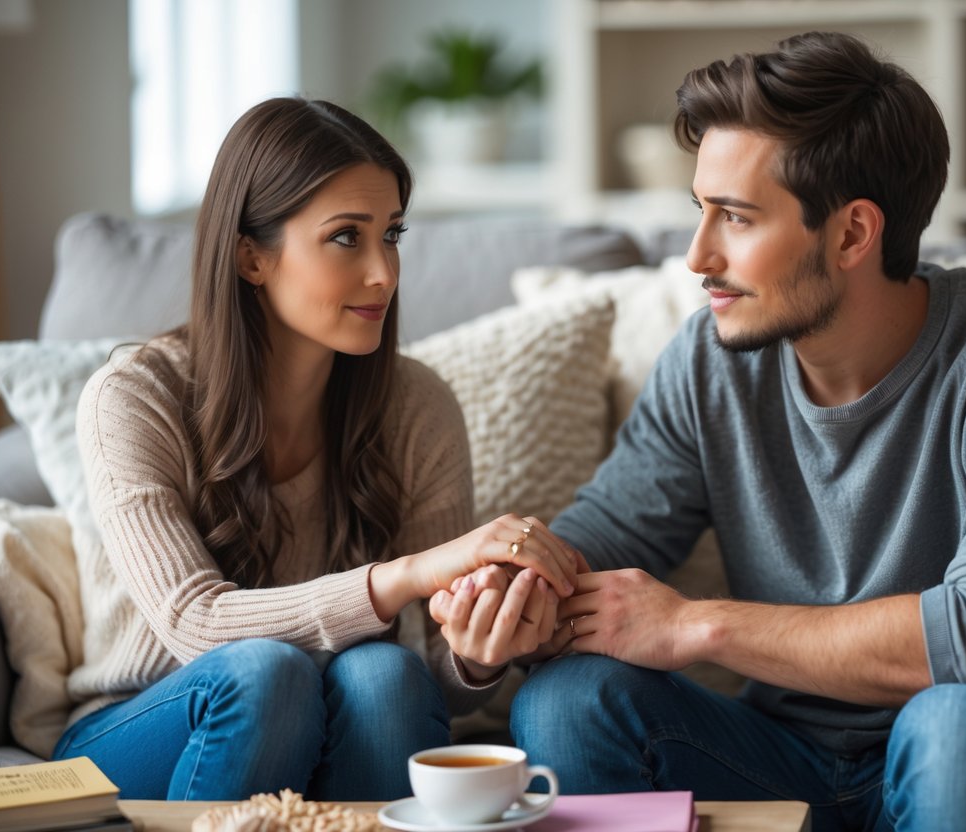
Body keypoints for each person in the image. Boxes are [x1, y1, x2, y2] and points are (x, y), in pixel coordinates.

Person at [502, 32, 966, 831]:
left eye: (734, 217)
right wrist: (515, 589)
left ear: (850, 234)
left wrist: (693, 624)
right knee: (566, 703)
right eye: (698, 211)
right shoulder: (709, 359)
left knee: (949, 721)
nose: (697, 255)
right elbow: (603, 538)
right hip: (781, 752)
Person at [52, 97, 578, 802]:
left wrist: (477, 654)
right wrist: (408, 575)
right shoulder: (133, 397)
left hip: (323, 713)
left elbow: (427, 675)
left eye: (391, 235)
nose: (383, 273)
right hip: (143, 721)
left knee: (385, 675)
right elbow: (195, 626)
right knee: (265, 672)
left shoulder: (417, 408)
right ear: (249, 257)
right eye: (344, 238)